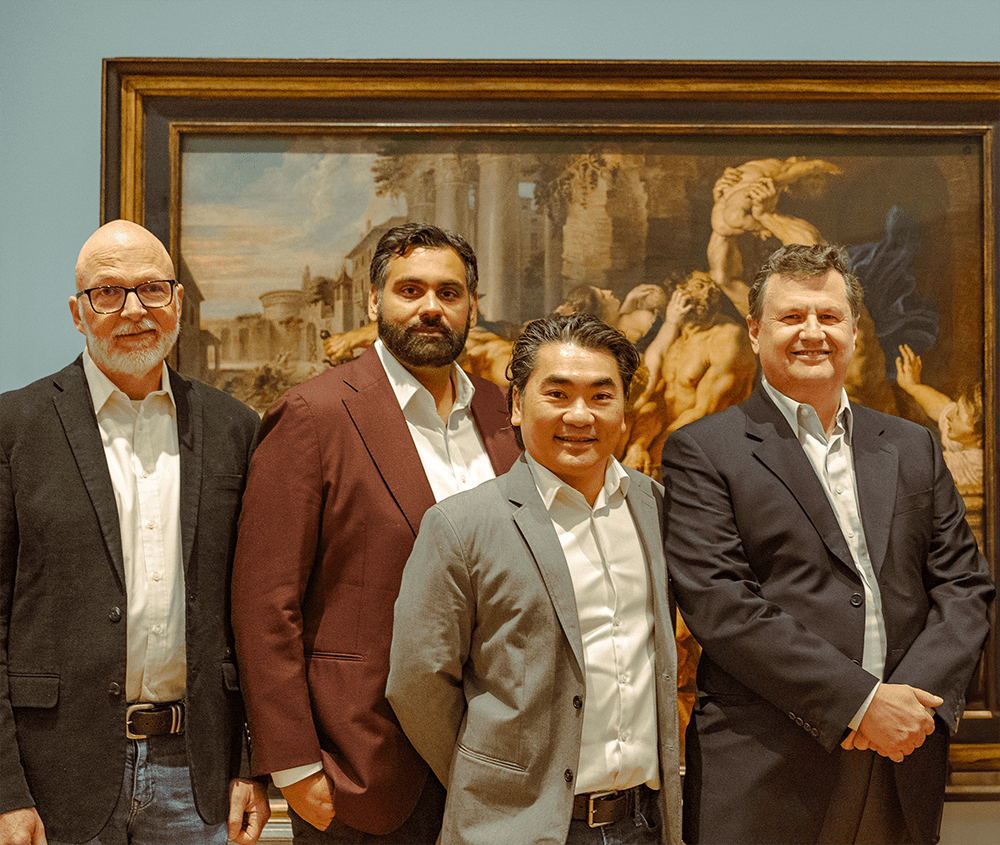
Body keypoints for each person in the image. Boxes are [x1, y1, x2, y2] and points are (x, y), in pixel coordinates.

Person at [662, 243, 994, 844]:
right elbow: (721, 605)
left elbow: (964, 587)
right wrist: (861, 703)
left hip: (901, 760)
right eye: (791, 317)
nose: (812, 332)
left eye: (829, 316)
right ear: (756, 331)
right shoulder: (704, 450)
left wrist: (910, 709)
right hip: (767, 768)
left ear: (854, 330)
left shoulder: (911, 444)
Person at [231, 222, 520, 843]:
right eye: (409, 290)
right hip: (366, 765)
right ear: (373, 302)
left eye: (449, 293)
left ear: (473, 305)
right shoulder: (315, 414)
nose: (430, 308)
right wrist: (293, 760)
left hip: (500, 765)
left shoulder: (504, 414)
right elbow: (265, 602)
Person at [0, 220, 269, 845]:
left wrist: (248, 765)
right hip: (53, 774)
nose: (133, 310)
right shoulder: (16, 428)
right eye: (108, 292)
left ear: (176, 301)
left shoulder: (235, 428)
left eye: (151, 289)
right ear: (77, 311)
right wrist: (6, 789)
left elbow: (253, 612)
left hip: (195, 774)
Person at [387, 313, 682, 845]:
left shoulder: (656, 507)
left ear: (624, 407)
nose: (580, 415)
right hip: (515, 829)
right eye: (558, 393)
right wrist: (493, 782)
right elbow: (417, 683)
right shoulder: (462, 524)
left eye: (600, 395)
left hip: (646, 824)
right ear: (518, 404)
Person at [622, 271, 755, 478]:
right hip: (665, 439)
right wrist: (637, 446)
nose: (705, 293)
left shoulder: (728, 337)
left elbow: (706, 412)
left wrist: (655, 455)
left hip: (707, 448)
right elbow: (655, 401)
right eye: (697, 286)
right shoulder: (675, 337)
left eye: (709, 288)